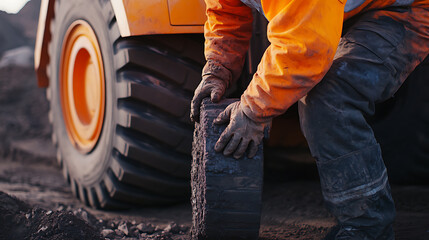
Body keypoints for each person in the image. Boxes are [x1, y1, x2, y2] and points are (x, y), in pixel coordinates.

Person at [190, 0, 429, 239]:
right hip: (348, 9)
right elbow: (227, 8)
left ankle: (367, 227)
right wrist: (219, 67)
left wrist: (254, 110)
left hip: (406, 8)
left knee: (328, 98)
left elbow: (304, 48)